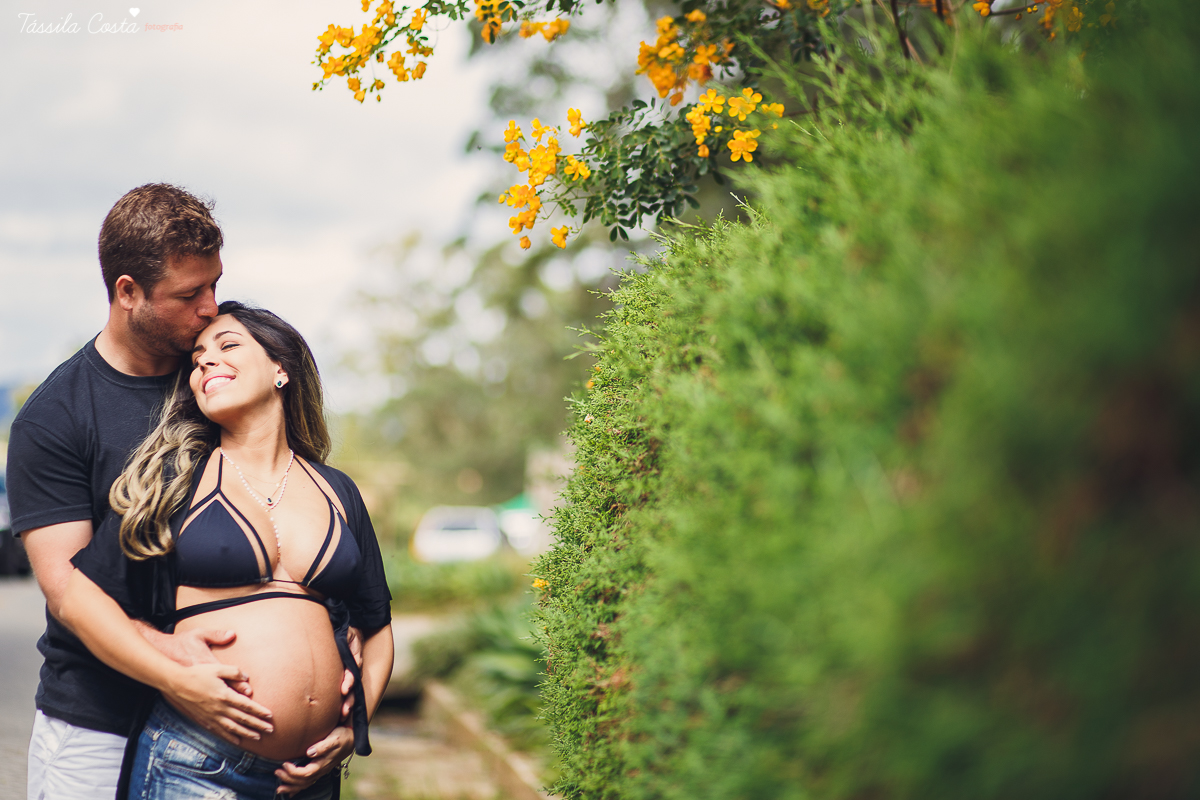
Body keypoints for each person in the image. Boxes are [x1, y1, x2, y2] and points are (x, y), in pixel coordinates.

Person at [5, 184, 351, 799]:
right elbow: (67, 593)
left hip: (226, 738)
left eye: (215, 284)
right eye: (191, 294)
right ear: (127, 293)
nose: (210, 307)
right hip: (97, 720)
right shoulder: (56, 417)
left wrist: (335, 655)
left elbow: (290, 509)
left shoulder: (218, 379)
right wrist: (173, 667)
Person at [59, 301, 395, 800]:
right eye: (197, 359)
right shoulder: (173, 480)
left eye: (228, 345)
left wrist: (352, 731)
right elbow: (79, 601)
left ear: (281, 368)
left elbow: (378, 625)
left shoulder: (337, 490)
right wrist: (173, 678)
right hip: (194, 764)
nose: (205, 362)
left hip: (310, 777)